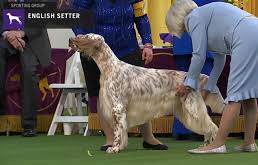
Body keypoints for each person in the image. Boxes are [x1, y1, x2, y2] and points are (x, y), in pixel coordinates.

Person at [166, 0, 258, 153]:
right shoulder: (206, 15)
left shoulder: (193, 18)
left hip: (246, 37)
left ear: (176, 18)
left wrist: (187, 84)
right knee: (248, 94)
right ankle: (249, 142)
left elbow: (198, 56)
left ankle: (218, 143)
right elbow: (219, 58)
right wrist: (210, 86)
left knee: (235, 96)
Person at [65, 0, 168, 151]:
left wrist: (147, 44)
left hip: (128, 49)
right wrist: (81, 36)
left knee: (138, 93)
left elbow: (141, 17)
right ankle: (110, 139)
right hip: (96, 53)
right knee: (102, 94)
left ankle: (148, 137)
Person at [172, 0, 223, 140]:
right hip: (202, 41)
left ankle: (182, 129)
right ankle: (199, 128)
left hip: (182, 39)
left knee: (183, 87)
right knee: (200, 87)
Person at [0, 2, 51, 137]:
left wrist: (20, 33)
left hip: (31, 37)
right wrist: (8, 34)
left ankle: (29, 125)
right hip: (6, 36)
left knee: (29, 70)